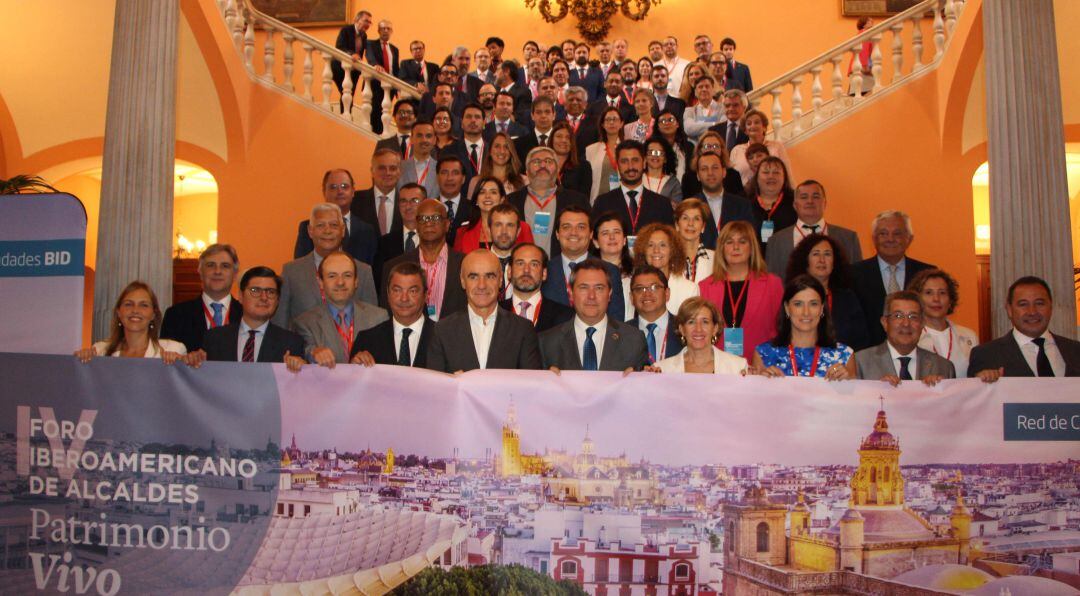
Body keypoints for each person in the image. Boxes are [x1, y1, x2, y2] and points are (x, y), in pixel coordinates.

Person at [426, 250, 542, 372]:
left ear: (500, 280)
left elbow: (531, 385)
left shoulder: (523, 330)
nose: (482, 285)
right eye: (473, 277)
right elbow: (435, 386)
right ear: (462, 281)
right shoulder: (442, 330)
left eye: (490, 276)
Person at [275, 203, 377, 328]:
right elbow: (280, 322)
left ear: (343, 230)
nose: (327, 231)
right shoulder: (291, 272)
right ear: (310, 231)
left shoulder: (363, 271)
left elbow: (373, 321)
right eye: (320, 225)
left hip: (353, 346)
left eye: (334, 225)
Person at [539, 259, 649, 372]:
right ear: (571, 293)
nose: (591, 296)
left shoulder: (634, 340)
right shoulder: (547, 343)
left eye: (599, 288)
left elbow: (646, 386)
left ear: (610, 294)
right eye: (583, 288)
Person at [699, 220, 783, 361]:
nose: (736, 247)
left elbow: (782, 331)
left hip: (761, 369)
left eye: (742, 242)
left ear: (752, 248)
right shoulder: (705, 287)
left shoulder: (772, 284)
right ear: (721, 248)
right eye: (729, 242)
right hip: (718, 369)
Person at [968, 276, 1080, 379]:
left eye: (1040, 303)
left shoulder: (1075, 351)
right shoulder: (986, 355)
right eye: (1023, 304)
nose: (1032, 312)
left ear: (1050, 307)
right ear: (1009, 310)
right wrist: (982, 382)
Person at [851, 210, 936, 346]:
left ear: (909, 238)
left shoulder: (927, 273)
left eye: (897, 233)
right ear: (873, 239)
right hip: (869, 356)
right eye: (883, 234)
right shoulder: (853, 274)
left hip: (919, 351)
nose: (890, 239)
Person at [291, 251, 388, 368]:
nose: (340, 282)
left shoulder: (379, 317)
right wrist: (314, 353)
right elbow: (305, 352)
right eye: (332, 276)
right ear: (320, 282)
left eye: (347, 275)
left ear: (356, 281)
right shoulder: (305, 323)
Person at [193, 266, 305, 366]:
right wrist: (192, 361)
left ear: (277, 300)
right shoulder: (215, 339)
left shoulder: (291, 343)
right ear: (240, 296)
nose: (264, 297)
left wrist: (301, 369)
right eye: (255, 290)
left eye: (270, 292)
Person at [752, 275, 855, 380]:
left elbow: (856, 395)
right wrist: (762, 383)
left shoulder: (844, 356)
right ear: (787, 308)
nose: (806, 312)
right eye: (798, 304)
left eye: (813, 304)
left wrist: (847, 382)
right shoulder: (763, 354)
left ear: (822, 309)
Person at [380, 199, 467, 321]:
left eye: (435, 218)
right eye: (423, 219)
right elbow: (387, 314)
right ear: (416, 225)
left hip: (454, 337)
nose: (429, 223)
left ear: (447, 224)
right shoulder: (394, 266)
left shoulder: (465, 264)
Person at [785, 232, 870, 350]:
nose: (822, 260)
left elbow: (861, 340)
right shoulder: (792, 296)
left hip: (843, 364)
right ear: (805, 261)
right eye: (815, 254)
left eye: (827, 254)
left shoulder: (847, 298)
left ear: (834, 262)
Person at [541, 205, 625, 321]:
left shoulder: (610, 271)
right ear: (557, 234)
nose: (573, 233)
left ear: (591, 234)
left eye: (581, 227)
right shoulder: (544, 271)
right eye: (566, 227)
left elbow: (616, 320)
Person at [854, 290, 955, 385]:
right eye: (898, 316)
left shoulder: (944, 367)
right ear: (885, 323)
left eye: (913, 317)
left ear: (922, 324)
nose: (906, 323)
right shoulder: (860, 362)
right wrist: (877, 392)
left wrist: (935, 392)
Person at [765, 179, 862, 277]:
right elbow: (772, 284)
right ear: (795, 205)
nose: (810, 201)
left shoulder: (849, 239)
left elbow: (857, 279)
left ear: (824, 203)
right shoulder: (776, 242)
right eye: (804, 197)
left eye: (816, 197)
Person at [507, 146, 590, 257]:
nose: (542, 165)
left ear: (557, 170)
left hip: (562, 269)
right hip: (523, 267)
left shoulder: (577, 200)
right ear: (526, 171)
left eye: (548, 161)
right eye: (536, 162)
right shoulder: (511, 201)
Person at [76, 281, 186, 362]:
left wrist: (182, 366)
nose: (135, 310)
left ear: (153, 314)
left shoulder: (173, 349)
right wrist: (81, 362)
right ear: (119, 312)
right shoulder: (99, 351)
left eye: (144, 305)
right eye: (128, 304)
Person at [352, 261, 435, 367]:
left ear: (425, 295)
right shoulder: (367, 340)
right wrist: (354, 368)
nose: (404, 298)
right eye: (397, 290)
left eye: (412, 291)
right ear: (388, 294)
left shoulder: (444, 339)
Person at [161, 244, 242, 353]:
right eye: (210, 265)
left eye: (225, 266)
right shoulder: (176, 315)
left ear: (235, 274)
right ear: (200, 272)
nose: (217, 271)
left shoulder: (246, 315)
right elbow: (168, 364)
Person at [296, 168, 378, 265]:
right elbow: (302, 267)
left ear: (353, 191)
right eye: (333, 187)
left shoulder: (367, 230)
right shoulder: (308, 227)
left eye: (345, 186)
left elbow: (371, 267)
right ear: (324, 191)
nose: (340, 191)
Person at [593, 140, 675, 235]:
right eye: (624, 161)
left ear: (644, 162)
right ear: (617, 165)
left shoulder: (662, 204)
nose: (630, 166)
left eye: (635, 160)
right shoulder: (602, 203)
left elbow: (670, 241)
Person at [910, 268, 979, 378]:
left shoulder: (969, 336)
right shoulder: (910, 337)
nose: (936, 299)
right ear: (917, 299)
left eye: (942, 293)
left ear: (950, 300)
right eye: (928, 293)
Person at [656, 296, 748, 374]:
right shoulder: (662, 370)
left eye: (705, 322)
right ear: (682, 329)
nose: (698, 329)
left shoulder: (738, 367)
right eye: (691, 322)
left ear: (715, 329)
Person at [500, 243, 575, 332]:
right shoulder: (495, 312)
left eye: (534, 264)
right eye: (520, 263)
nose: (526, 270)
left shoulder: (566, 317)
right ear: (509, 271)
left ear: (544, 273)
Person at [688, 151, 754, 250]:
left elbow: (750, 240)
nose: (710, 173)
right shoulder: (690, 207)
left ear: (724, 172)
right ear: (698, 175)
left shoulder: (742, 205)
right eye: (704, 169)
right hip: (701, 263)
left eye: (715, 168)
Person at [454, 176, 533, 253]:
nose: (487, 196)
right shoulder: (463, 232)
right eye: (482, 192)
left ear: (502, 199)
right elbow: (457, 263)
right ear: (476, 200)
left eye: (493, 192)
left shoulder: (523, 229)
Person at [633, 223, 697, 315]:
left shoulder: (689, 290)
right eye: (650, 245)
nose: (656, 250)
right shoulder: (633, 286)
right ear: (643, 251)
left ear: (672, 251)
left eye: (662, 245)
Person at [628, 264, 682, 363]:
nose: (647, 294)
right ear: (631, 298)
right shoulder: (621, 334)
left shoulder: (684, 329)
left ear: (667, 293)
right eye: (639, 289)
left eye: (654, 287)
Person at [374, 183, 424, 284]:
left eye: (415, 201)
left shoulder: (432, 240)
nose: (408, 206)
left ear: (424, 204)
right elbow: (380, 280)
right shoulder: (384, 243)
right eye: (403, 201)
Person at [730, 109, 792, 187]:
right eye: (749, 124)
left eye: (757, 122)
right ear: (745, 130)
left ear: (764, 127)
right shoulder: (736, 150)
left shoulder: (777, 147)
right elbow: (732, 179)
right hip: (744, 196)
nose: (753, 125)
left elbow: (787, 173)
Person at [745, 156, 797, 249]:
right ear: (757, 177)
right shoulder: (743, 203)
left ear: (784, 177)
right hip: (752, 260)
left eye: (776, 172)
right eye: (765, 172)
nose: (771, 176)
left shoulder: (796, 202)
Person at [592, 212, 635, 321]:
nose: (612, 237)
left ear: (625, 240)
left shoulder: (637, 273)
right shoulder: (588, 273)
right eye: (605, 233)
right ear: (596, 242)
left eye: (617, 232)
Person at [353, 149, 403, 237]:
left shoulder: (407, 203)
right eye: (382, 168)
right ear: (372, 171)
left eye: (392, 168)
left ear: (399, 172)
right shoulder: (354, 200)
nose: (388, 173)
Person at [680, 130, 743, 199]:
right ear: (699, 150)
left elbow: (740, 202)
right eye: (707, 146)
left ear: (722, 150)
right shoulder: (689, 178)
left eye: (716, 146)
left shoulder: (733, 175)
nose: (712, 149)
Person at [365, 19, 399, 134]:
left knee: (386, 112)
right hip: (375, 85)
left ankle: (383, 133)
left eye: (388, 29)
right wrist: (376, 65)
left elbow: (396, 69)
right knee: (375, 112)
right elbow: (370, 57)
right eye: (383, 28)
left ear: (391, 31)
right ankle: (376, 136)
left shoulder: (395, 49)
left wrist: (399, 86)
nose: (386, 31)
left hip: (391, 87)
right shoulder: (370, 44)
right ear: (378, 31)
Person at [586, 106, 626, 200]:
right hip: (598, 198)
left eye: (615, 119)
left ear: (621, 123)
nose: (611, 122)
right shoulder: (591, 150)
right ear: (603, 124)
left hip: (622, 199)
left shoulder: (628, 148)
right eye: (607, 119)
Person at [468, 131, 526, 197]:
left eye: (506, 147)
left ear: (511, 152)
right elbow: (470, 207)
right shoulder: (476, 182)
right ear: (489, 151)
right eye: (497, 146)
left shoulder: (524, 181)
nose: (502, 151)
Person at [331, 11, 371, 102]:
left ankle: (345, 115)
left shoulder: (364, 36)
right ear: (357, 20)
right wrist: (351, 54)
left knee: (349, 96)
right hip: (340, 67)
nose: (368, 24)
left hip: (354, 70)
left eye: (369, 22)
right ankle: (344, 115)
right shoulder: (346, 30)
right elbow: (339, 46)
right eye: (366, 21)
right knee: (345, 94)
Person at [673, 199, 716, 285]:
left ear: (703, 226)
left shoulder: (716, 259)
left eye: (696, 219)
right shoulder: (668, 258)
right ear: (677, 225)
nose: (690, 223)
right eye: (685, 218)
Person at [433, 155, 471, 245]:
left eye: (455, 173)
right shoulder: (430, 208)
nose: (449, 178)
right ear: (437, 177)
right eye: (444, 172)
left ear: (463, 179)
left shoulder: (473, 210)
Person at [397, 119, 439, 198]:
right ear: (411, 139)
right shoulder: (399, 167)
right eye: (419, 135)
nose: (424, 140)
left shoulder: (440, 169)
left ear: (434, 140)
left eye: (428, 136)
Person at [445, 103, 487, 179]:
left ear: (484, 123)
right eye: (468, 117)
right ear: (461, 123)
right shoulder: (449, 151)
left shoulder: (492, 150)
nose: (473, 120)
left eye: (477, 117)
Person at [549, 121, 591, 196]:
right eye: (559, 136)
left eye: (568, 137)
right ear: (551, 140)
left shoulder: (584, 166)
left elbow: (584, 198)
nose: (563, 140)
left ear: (572, 142)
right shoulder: (543, 165)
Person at [642, 136, 682, 202]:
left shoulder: (673, 183)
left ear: (665, 159)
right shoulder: (637, 179)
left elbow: (677, 208)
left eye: (659, 153)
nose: (655, 156)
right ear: (645, 157)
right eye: (651, 152)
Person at [656, 110, 693, 180]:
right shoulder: (653, 148)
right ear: (658, 127)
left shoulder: (688, 147)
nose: (667, 123)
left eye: (671, 120)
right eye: (663, 121)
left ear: (677, 124)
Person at [682, 75, 722, 142]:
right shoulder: (689, 111)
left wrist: (697, 127)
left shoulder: (723, 108)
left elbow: (723, 128)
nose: (704, 89)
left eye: (707, 86)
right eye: (700, 87)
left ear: (713, 90)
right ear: (695, 92)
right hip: (695, 149)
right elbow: (689, 129)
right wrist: (714, 124)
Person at [848, 17, 875, 96]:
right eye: (870, 22)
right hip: (862, 69)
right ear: (864, 25)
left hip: (858, 68)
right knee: (863, 94)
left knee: (857, 94)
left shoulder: (860, 33)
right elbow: (863, 51)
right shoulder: (865, 34)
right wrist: (865, 67)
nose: (872, 24)